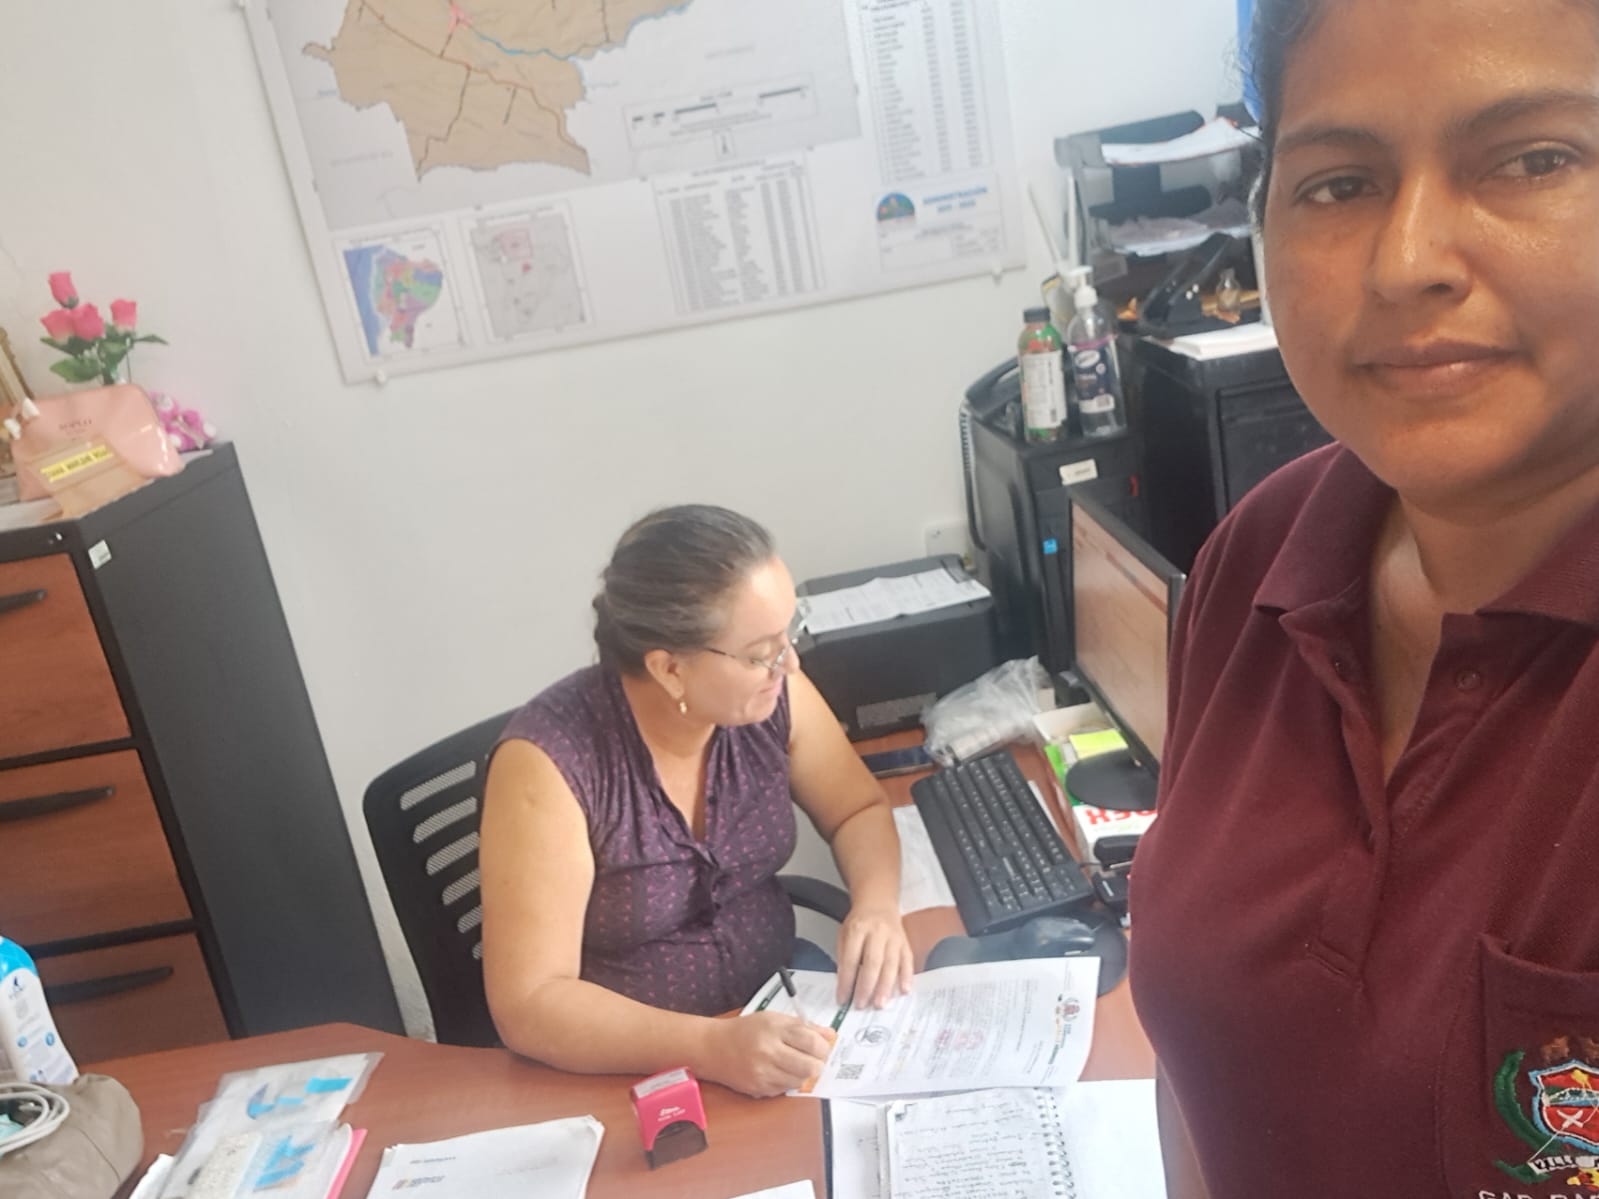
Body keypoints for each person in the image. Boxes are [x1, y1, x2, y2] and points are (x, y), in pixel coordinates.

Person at [1130, 0, 1599, 1193]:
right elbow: (1199, 1050)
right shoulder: (1258, 560)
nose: (1407, 261)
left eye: (1532, 159)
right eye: (1339, 183)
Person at [480, 504, 912, 1098]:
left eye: (787, 635)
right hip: (633, 1067)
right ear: (669, 669)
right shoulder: (552, 762)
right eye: (760, 653)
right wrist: (711, 1047)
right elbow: (529, 1004)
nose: (789, 663)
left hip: (783, 1004)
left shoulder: (773, 695)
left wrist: (877, 905)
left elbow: (856, 809)